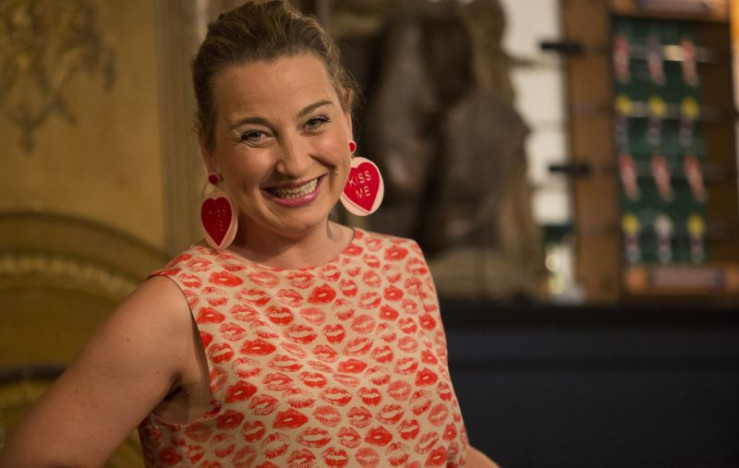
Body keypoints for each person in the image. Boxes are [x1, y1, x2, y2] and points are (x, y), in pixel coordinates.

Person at [0, 1, 498, 466]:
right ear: (209, 150)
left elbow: (444, 448)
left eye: (314, 122)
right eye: (255, 134)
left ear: (347, 118)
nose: (294, 162)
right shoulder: (179, 307)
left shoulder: (402, 265)